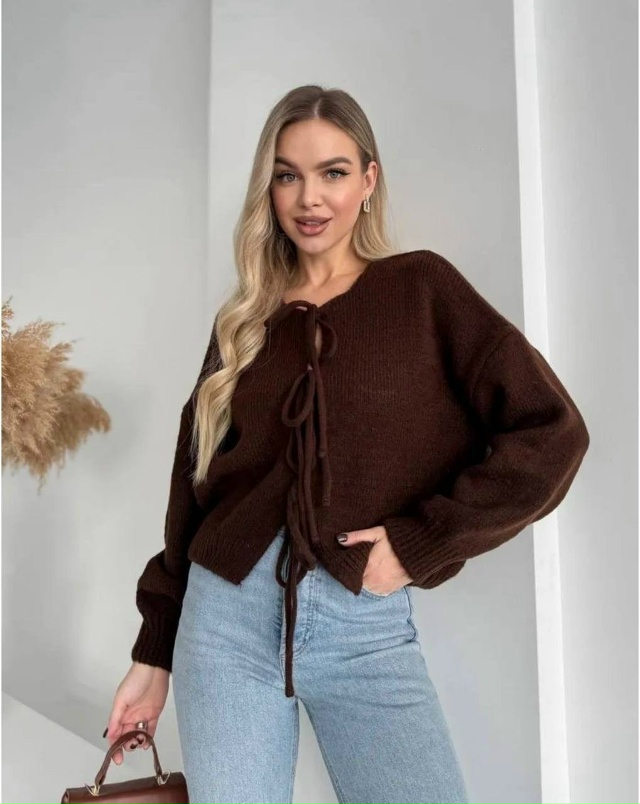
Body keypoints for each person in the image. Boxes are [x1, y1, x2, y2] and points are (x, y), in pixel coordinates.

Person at [105, 85, 590, 803]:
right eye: (287, 175)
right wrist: (154, 654)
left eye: (332, 172)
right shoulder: (245, 320)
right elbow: (193, 490)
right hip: (223, 626)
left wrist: (421, 543)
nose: (310, 197)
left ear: (368, 179)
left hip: (363, 627)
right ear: (268, 188)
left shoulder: (422, 290)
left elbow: (552, 431)